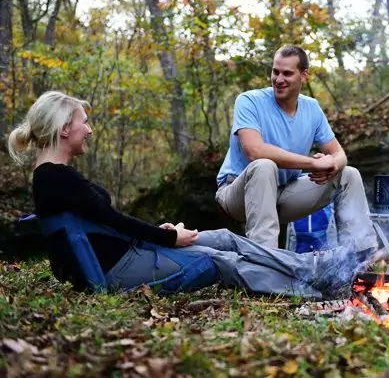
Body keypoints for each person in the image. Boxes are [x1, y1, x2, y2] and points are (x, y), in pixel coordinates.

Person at [7, 91, 361, 299]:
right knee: (218, 260)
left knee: (224, 237)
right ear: (65, 128)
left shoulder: (56, 177)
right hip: (120, 269)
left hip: (131, 253)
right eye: (83, 122)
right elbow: (113, 221)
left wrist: (163, 232)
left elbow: (103, 223)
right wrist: (168, 237)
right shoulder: (55, 178)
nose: (89, 129)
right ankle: (313, 288)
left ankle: (313, 267)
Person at [215, 45, 377, 262]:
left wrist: (331, 164)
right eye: (275, 72)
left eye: (287, 73)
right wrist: (312, 163)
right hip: (237, 194)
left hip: (282, 194)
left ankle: (358, 260)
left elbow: (339, 154)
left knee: (348, 175)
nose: (279, 79)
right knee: (264, 166)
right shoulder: (249, 101)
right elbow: (255, 151)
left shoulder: (311, 108)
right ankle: (266, 264)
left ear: (304, 76)